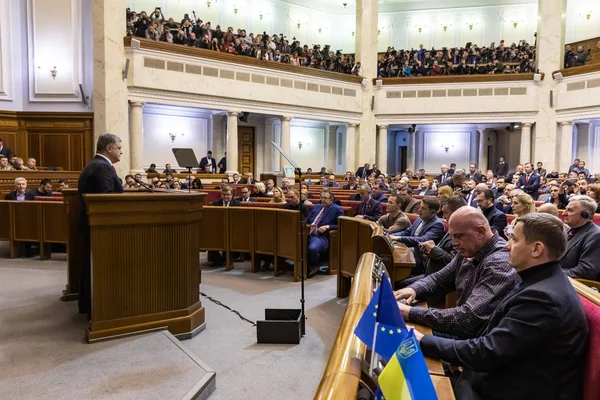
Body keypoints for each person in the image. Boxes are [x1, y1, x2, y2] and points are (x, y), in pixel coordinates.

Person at [414, 213, 588, 400]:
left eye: (514, 239)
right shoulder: (539, 281)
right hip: (498, 376)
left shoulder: (543, 299)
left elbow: (487, 352)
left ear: (537, 249)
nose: (506, 245)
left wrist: (423, 340)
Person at [395, 207, 519, 339]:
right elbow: (439, 279)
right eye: (451, 236)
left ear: (480, 232)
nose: (453, 243)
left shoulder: (499, 263)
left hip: (472, 341)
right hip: (462, 331)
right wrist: (413, 289)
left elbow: (467, 319)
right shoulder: (469, 249)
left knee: (398, 333)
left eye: (458, 236)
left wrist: (410, 312)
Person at [77, 133, 124, 317]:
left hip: (92, 224)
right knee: (98, 267)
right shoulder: (103, 167)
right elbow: (108, 201)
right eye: (119, 147)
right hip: (101, 227)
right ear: (109, 148)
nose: (121, 151)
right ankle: (98, 309)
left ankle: (88, 305)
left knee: (91, 265)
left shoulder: (96, 164)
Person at [560, 195, 600, 280]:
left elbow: (586, 271)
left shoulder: (596, 236)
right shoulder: (567, 230)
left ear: (584, 215)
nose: (564, 213)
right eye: (565, 209)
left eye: (570, 210)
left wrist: (551, 274)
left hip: (574, 285)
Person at [305, 190, 343, 277]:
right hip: (308, 232)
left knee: (312, 248)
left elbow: (341, 225)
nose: (323, 200)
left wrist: (328, 227)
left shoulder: (337, 209)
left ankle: (315, 265)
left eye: (325, 198)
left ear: (331, 199)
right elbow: (308, 219)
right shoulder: (317, 207)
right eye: (321, 197)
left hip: (322, 237)